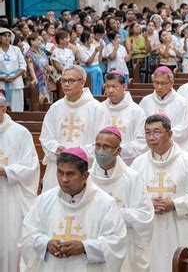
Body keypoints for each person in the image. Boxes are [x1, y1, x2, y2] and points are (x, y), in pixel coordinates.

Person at [19, 147, 127, 271]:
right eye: (60, 172)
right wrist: (46, 244)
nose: (64, 179)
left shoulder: (105, 204)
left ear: (85, 176)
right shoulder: (44, 200)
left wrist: (85, 247)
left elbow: (116, 242)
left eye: (70, 174)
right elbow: (28, 235)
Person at [132, 113, 188, 271]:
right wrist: (147, 204)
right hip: (150, 229)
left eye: (157, 132)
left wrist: (173, 204)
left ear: (170, 134)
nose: (151, 137)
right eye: (147, 132)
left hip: (178, 227)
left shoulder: (187, 163)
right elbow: (130, 200)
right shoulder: (138, 164)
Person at [90, 127, 154, 271]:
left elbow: (145, 215)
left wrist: (113, 213)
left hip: (125, 245)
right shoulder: (86, 178)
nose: (100, 151)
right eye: (98, 145)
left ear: (118, 151)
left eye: (106, 147)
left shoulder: (132, 178)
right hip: (94, 242)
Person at [40, 65, 105, 191]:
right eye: (64, 80)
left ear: (82, 82)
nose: (66, 84)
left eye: (71, 81)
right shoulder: (56, 107)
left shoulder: (97, 109)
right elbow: (46, 137)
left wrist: (77, 154)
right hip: (57, 168)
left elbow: (100, 142)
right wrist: (56, 148)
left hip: (84, 168)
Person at [0, 93, 39, 272]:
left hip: (11, 193)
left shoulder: (20, 132)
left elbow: (31, 166)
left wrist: (6, 171)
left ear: (3, 109)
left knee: (9, 240)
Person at [139, 66, 188, 149]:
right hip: (150, 147)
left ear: (171, 83)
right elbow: (140, 126)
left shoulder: (181, 102)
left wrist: (163, 136)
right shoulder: (146, 101)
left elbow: (186, 127)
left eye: (163, 83)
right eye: (156, 83)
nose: (159, 87)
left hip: (174, 148)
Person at [102, 70, 148, 165]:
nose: (110, 90)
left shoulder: (136, 111)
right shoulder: (99, 109)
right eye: (107, 86)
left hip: (127, 163)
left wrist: (117, 151)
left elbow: (141, 142)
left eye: (114, 86)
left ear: (124, 87)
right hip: (102, 161)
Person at [0, 28, 26, 111]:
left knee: (17, 107)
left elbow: (23, 65)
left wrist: (14, 76)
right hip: (1, 83)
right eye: (4, 36)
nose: (7, 38)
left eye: (8, 36)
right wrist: (2, 77)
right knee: (3, 107)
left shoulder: (16, 49)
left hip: (16, 81)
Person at [24, 32, 54, 105]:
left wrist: (49, 68)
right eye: (38, 40)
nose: (40, 42)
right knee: (38, 102)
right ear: (32, 42)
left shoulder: (41, 52)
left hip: (46, 80)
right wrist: (35, 79)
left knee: (47, 102)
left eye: (41, 40)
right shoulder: (29, 54)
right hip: (37, 81)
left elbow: (46, 64)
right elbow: (31, 69)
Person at [78, 31, 104, 96]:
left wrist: (101, 51)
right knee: (91, 87)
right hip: (87, 70)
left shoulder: (93, 46)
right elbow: (88, 62)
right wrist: (95, 51)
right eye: (91, 37)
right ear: (86, 39)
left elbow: (100, 60)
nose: (93, 39)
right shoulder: (80, 49)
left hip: (97, 69)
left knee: (99, 87)